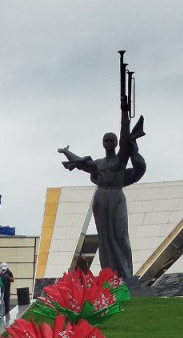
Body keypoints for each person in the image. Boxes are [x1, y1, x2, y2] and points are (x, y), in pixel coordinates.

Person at [58, 100, 146, 281]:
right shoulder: (99, 163)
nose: (109, 142)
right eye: (106, 140)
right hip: (101, 199)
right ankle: (110, 276)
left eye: (112, 140)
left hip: (116, 196)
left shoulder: (120, 160)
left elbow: (124, 138)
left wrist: (124, 115)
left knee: (120, 235)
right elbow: (82, 164)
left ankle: (126, 275)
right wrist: (67, 152)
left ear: (115, 143)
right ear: (102, 143)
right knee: (104, 238)